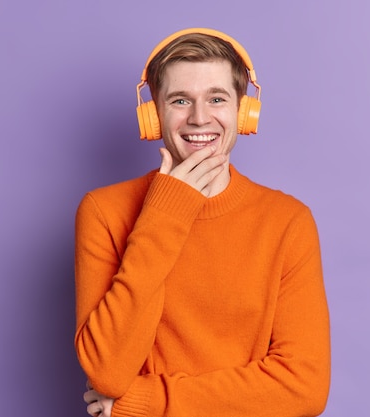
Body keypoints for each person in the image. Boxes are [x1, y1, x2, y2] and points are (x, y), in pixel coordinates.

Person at [74, 27, 330, 417]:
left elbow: (304, 387)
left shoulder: (288, 221)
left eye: (216, 98)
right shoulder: (103, 212)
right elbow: (108, 371)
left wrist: (145, 402)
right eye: (180, 100)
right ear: (154, 114)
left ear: (243, 112)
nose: (199, 118)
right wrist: (165, 213)